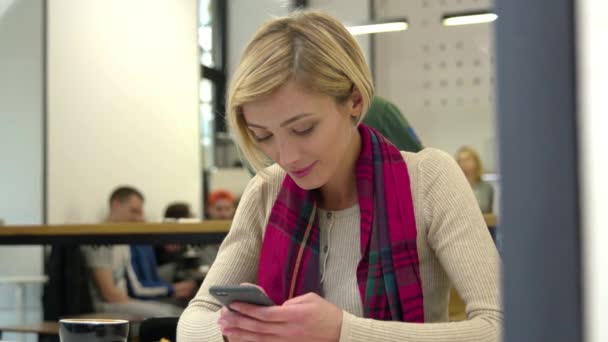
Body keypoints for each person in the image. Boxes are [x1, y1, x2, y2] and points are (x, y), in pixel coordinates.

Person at [178, 11, 501, 342]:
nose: (286, 156)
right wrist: (244, 328)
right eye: (263, 136)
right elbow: (190, 325)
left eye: (303, 128)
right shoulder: (266, 190)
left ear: (355, 101)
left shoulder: (430, 179)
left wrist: (344, 332)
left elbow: (503, 326)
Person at [81, 186, 183, 317]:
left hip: (124, 301)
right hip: (106, 307)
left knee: (178, 312)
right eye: (134, 211)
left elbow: (133, 286)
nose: (139, 219)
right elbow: (109, 294)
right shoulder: (100, 241)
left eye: (140, 213)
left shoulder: (122, 240)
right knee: (172, 315)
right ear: (115, 205)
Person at [456, 146, 495, 214]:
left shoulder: (487, 188)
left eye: (467, 160)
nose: (464, 164)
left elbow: (489, 212)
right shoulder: (454, 188)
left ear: (476, 162)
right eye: (460, 161)